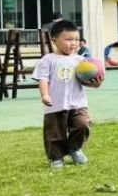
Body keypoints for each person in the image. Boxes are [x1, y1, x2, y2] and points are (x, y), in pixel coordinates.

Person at [32, 20, 101, 169]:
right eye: (69, 39)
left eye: (77, 39)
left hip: (78, 103)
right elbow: (43, 79)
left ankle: (74, 148)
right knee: (55, 133)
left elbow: (84, 80)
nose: (74, 43)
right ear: (54, 40)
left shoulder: (81, 60)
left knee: (82, 125)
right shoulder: (48, 60)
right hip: (55, 104)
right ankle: (56, 157)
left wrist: (95, 83)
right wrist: (44, 95)